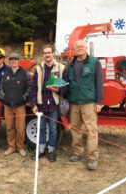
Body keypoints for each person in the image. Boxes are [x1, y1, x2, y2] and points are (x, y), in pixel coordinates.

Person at [65, 39, 103, 171]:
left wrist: (99, 102)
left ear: (86, 48)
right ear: (74, 49)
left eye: (82, 46)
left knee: (91, 129)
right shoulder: (70, 64)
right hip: (74, 102)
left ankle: (93, 157)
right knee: (75, 128)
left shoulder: (94, 62)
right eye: (77, 47)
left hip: (88, 102)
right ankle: (77, 152)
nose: (80, 48)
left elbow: (99, 82)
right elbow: (66, 83)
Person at [30, 44, 65, 163]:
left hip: (54, 104)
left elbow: (66, 86)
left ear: (53, 53)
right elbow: (34, 87)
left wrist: (58, 89)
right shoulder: (39, 68)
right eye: (45, 53)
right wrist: (33, 104)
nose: (47, 55)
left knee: (54, 129)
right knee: (41, 127)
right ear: (43, 54)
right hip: (41, 103)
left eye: (49, 52)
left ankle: (51, 151)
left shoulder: (61, 68)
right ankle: (40, 149)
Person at [0, 53, 31, 157]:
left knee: (21, 128)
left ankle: (20, 147)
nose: (13, 61)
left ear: (18, 61)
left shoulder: (24, 73)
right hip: (8, 106)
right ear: (9, 61)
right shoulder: (5, 73)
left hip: (20, 106)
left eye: (15, 59)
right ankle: (11, 147)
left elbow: (29, 88)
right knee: (9, 128)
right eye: (11, 60)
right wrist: (4, 97)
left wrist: (23, 97)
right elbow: (1, 87)